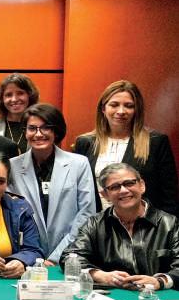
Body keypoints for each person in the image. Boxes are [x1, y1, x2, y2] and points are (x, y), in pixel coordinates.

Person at [62, 163, 179, 291]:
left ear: (142, 185)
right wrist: (99, 275)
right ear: (105, 195)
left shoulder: (170, 223)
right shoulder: (94, 224)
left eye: (129, 183)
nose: (123, 190)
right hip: (110, 298)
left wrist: (160, 281)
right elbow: (70, 257)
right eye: (115, 187)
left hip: (155, 298)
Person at [73, 80, 178, 215]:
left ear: (136, 110)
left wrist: (165, 226)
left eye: (129, 106)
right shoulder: (85, 143)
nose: (121, 111)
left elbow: (169, 196)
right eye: (114, 105)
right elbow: (77, 193)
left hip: (144, 224)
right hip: (97, 223)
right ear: (103, 109)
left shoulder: (155, 142)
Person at [8, 103, 95, 261]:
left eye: (46, 128)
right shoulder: (12, 166)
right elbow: (10, 214)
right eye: (32, 128)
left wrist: (56, 256)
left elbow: (86, 213)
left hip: (68, 254)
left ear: (56, 131)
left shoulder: (79, 163)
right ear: (25, 132)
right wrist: (30, 255)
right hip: (26, 255)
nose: (38, 134)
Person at [0, 73, 39, 153]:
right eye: (8, 95)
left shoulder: (42, 127)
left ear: (30, 96)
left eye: (20, 93)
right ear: (1, 99)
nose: (14, 99)